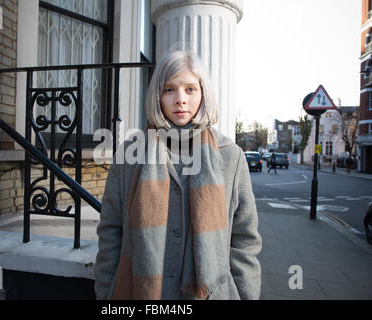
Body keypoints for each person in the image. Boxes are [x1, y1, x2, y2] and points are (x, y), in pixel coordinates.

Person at [94, 51, 262, 300]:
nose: (180, 99)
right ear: (157, 96)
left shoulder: (231, 157)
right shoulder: (130, 155)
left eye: (190, 89)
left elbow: (244, 240)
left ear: (203, 93)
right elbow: (111, 231)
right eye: (169, 89)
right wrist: (106, 293)